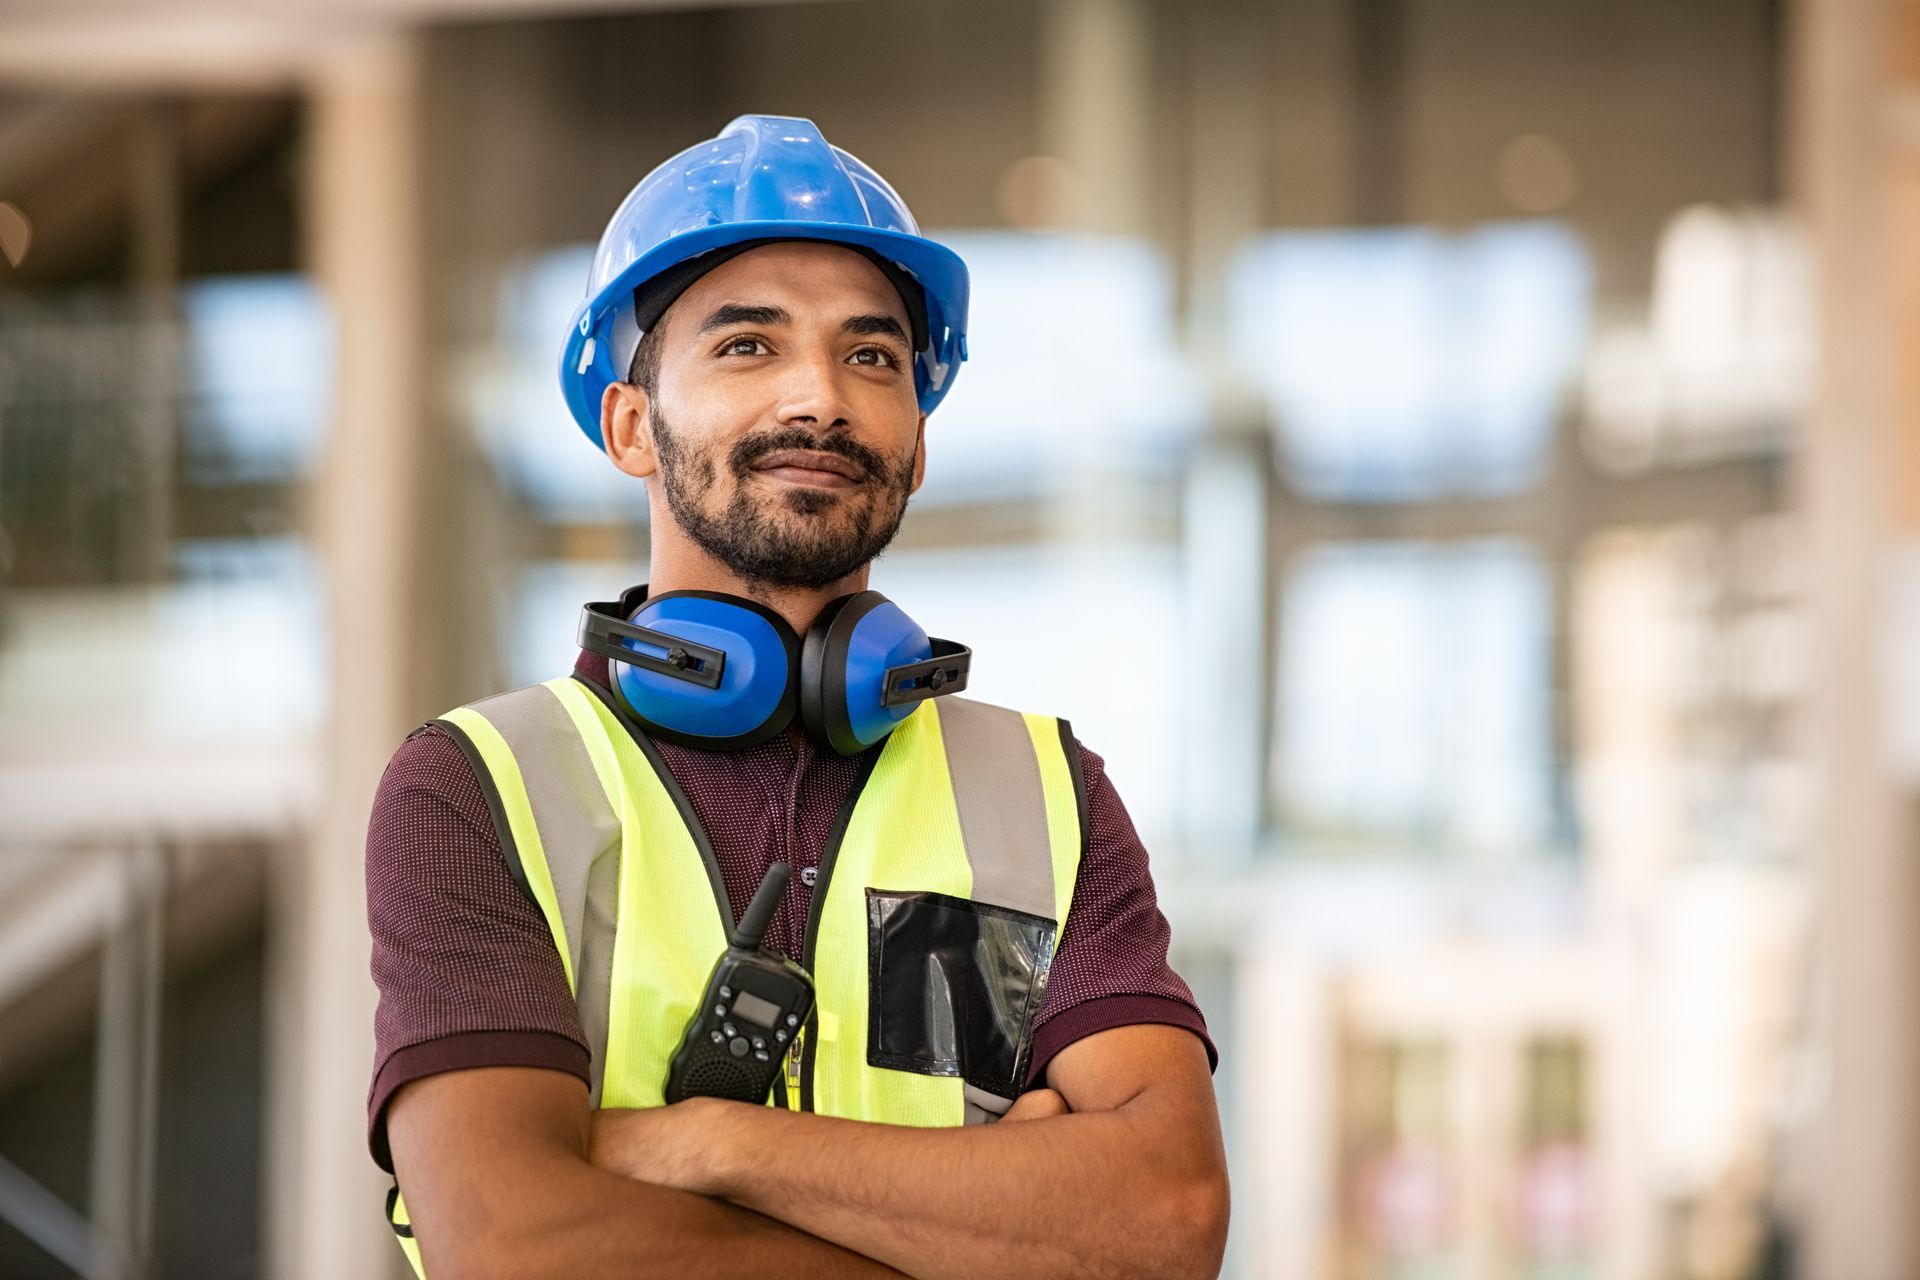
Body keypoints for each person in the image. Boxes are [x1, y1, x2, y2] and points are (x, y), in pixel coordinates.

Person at [365, 114, 1229, 1280]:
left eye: (871, 356)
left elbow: (1167, 1217)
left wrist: (710, 1142)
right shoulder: (480, 785)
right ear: (632, 426)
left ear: (918, 443)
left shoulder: (1047, 793)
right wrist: (990, 1234)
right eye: (747, 347)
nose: (818, 397)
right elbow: (517, 1242)